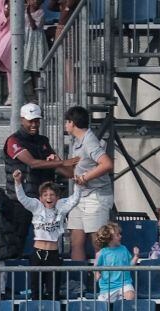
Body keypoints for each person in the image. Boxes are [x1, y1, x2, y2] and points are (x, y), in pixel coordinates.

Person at [3, 103, 78, 247]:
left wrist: (67, 168)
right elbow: (32, 163)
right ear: (21, 120)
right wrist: (63, 163)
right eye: (30, 120)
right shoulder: (13, 140)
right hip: (21, 201)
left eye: (37, 120)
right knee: (17, 242)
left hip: (45, 201)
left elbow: (62, 169)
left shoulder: (43, 141)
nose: (34, 124)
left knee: (51, 241)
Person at [12, 169, 80, 299]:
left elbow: (74, 200)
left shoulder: (61, 207)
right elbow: (22, 198)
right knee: (36, 291)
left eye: (52, 194)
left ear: (57, 197)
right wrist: (17, 182)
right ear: (40, 198)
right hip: (38, 253)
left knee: (53, 292)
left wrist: (78, 185)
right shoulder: (36, 207)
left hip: (53, 254)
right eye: (45, 194)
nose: (49, 197)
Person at [64, 105, 114, 261]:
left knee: (98, 242)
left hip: (96, 196)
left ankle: (105, 281)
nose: (66, 125)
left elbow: (106, 164)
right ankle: (78, 282)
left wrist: (85, 178)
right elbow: (75, 172)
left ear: (72, 123)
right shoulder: (77, 142)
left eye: (67, 121)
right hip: (80, 196)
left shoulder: (89, 140)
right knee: (76, 241)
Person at [94, 223, 138, 302]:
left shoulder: (124, 249)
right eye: (117, 235)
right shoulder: (101, 253)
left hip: (125, 283)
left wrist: (135, 256)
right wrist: (97, 273)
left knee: (130, 295)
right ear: (109, 238)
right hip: (107, 286)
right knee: (103, 306)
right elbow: (96, 266)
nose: (120, 236)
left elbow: (130, 265)